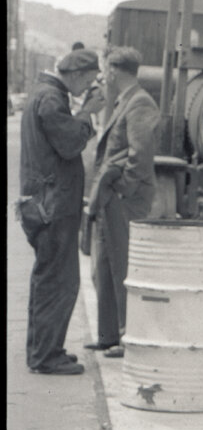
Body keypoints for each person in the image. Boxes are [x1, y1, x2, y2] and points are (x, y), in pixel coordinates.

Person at [20, 49, 101, 375]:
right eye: (90, 80)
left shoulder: (44, 94)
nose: (90, 87)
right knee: (59, 281)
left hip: (42, 204)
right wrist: (87, 114)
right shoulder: (53, 100)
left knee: (48, 279)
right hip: (53, 205)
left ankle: (44, 350)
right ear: (80, 75)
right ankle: (45, 357)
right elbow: (69, 144)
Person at [85, 47, 161, 359]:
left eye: (106, 69)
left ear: (115, 70)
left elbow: (140, 155)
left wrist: (124, 190)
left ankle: (126, 336)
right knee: (104, 265)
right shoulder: (127, 100)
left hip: (122, 197)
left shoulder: (140, 101)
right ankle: (108, 336)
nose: (105, 75)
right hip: (111, 196)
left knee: (122, 266)